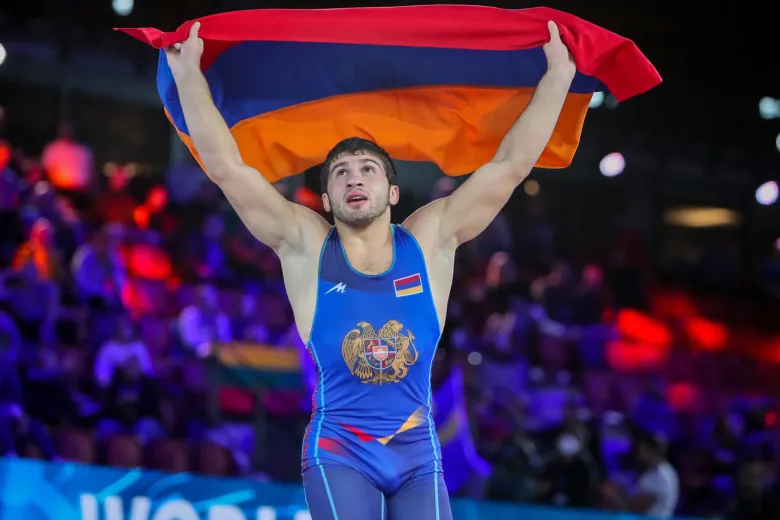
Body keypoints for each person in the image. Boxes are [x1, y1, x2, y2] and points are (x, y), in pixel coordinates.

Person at [165, 20, 576, 520]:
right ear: (326, 199)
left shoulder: (430, 239)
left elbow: (510, 166)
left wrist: (558, 77)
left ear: (393, 192)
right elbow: (227, 168)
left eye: (367, 170)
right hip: (340, 451)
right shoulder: (305, 243)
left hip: (417, 455)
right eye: (340, 172)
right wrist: (188, 76)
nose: (354, 179)